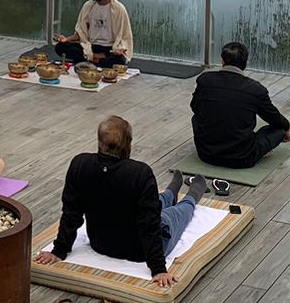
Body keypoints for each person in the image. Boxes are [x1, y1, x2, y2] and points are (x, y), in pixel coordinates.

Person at [35, 115, 207, 289]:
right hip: (138, 251)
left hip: (100, 243)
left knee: (154, 203)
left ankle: (170, 192)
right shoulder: (140, 173)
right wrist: (158, 269)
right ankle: (191, 196)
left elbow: (71, 212)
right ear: (128, 143)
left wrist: (59, 250)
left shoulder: (80, 164)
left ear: (99, 141)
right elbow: (149, 225)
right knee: (175, 214)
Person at [191, 41, 290, 167]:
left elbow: (194, 107)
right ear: (246, 64)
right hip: (242, 158)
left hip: (206, 154)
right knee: (279, 129)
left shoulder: (204, 80)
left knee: (197, 117)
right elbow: (274, 118)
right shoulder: (255, 89)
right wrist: (286, 127)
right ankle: (260, 151)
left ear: (222, 62)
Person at [53, 0, 134, 68]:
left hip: (110, 49)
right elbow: (81, 33)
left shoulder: (119, 8)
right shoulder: (88, 6)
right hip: (90, 47)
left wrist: (121, 49)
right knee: (60, 47)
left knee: (119, 59)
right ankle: (96, 58)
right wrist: (66, 39)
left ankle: (89, 59)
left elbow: (124, 35)